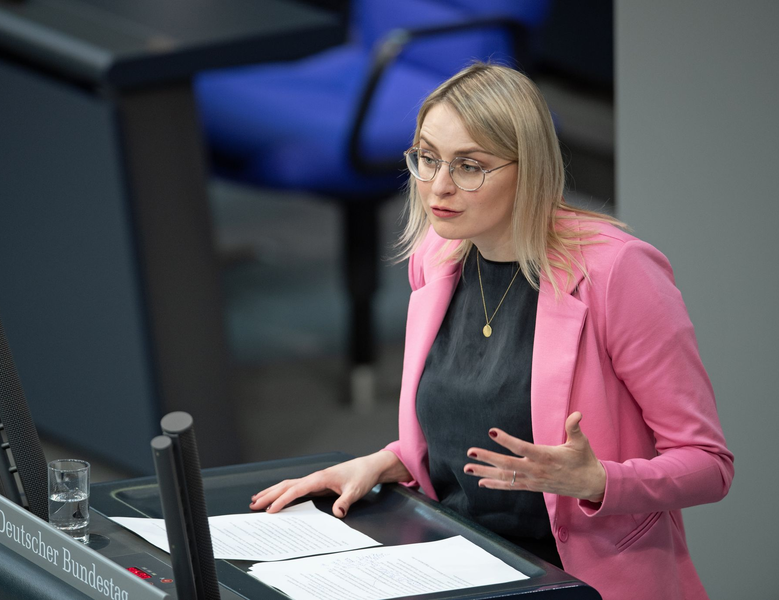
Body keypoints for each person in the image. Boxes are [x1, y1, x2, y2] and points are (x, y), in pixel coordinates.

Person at [249, 63, 734, 600]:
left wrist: (595, 481)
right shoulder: (437, 256)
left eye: (470, 166)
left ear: (529, 170)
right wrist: (383, 462)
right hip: (459, 559)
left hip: (578, 579)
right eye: (427, 158)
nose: (438, 187)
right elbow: (462, 427)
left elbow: (709, 466)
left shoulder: (618, 273)